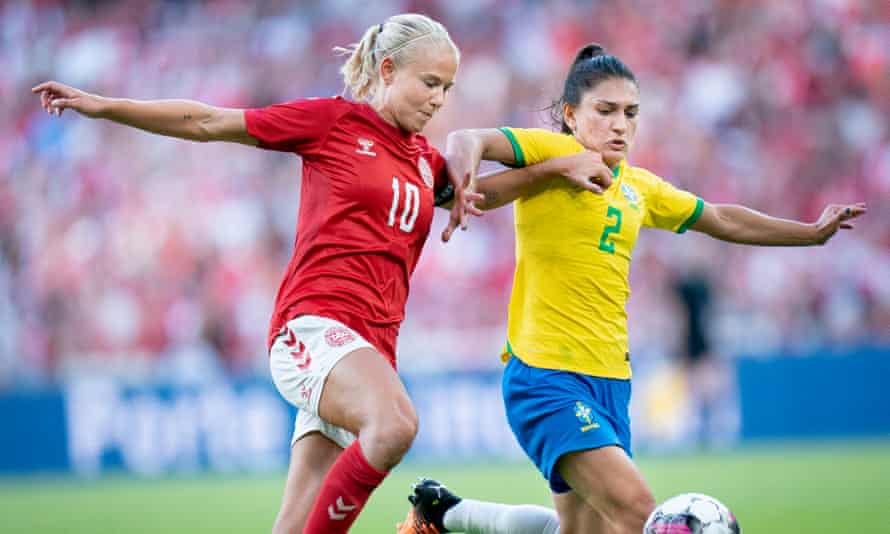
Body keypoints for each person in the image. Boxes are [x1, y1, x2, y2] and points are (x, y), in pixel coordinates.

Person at [33, 13, 489, 534]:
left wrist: (559, 168)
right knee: (395, 425)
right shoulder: (334, 123)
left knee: (294, 524)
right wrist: (103, 105)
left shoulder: (424, 161)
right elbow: (207, 122)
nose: (439, 99)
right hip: (316, 330)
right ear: (386, 69)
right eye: (429, 82)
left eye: (447, 88)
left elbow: (482, 194)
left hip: (368, 350)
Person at [398, 43, 866, 534]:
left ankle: (445, 513)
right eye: (606, 111)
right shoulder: (555, 151)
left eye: (630, 113)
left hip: (612, 382)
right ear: (571, 115)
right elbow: (466, 137)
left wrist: (810, 233)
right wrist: (465, 178)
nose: (620, 124)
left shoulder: (640, 188)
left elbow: (723, 218)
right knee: (647, 517)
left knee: (583, 531)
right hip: (546, 378)